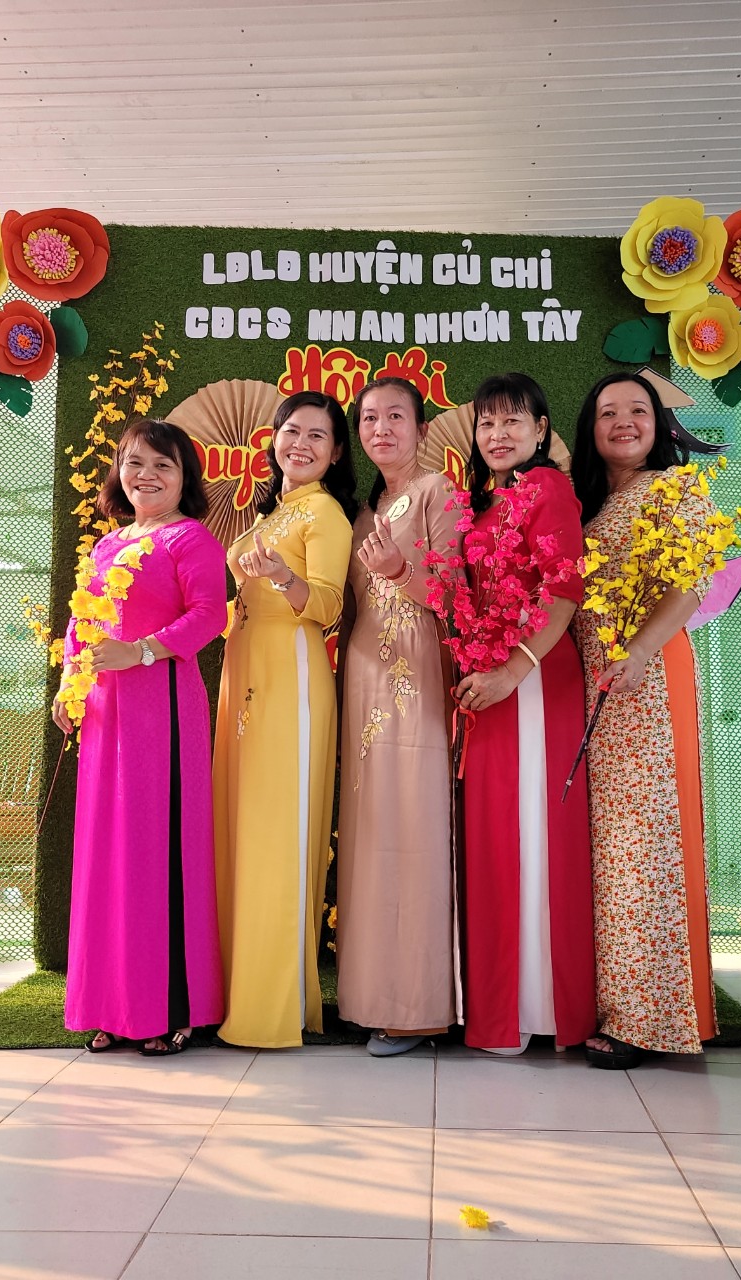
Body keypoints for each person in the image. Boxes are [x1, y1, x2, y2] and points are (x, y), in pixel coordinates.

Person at [54, 419, 228, 1056]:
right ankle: (113, 1006)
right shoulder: (108, 544)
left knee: (158, 851)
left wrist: (143, 651)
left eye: (163, 464)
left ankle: (172, 1008)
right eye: (135, 463)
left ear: (184, 477)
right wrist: (70, 686)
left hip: (163, 711)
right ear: (118, 473)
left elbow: (209, 614)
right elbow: (82, 623)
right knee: (109, 854)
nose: (147, 475)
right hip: (106, 716)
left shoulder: (190, 538)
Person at [570, 372, 718, 1069]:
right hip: (594, 684)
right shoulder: (591, 502)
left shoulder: (675, 490)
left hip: (645, 678)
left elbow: (692, 584)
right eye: (608, 412)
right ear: (590, 427)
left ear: (660, 423)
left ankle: (649, 1020)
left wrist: (639, 652)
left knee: (643, 844)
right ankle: (614, 1002)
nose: (624, 422)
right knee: (607, 849)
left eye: (638, 410)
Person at [455, 373, 596, 1054]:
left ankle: (540, 1011)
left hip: (534, 678)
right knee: (494, 836)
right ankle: (499, 1011)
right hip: (490, 683)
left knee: (534, 832)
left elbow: (563, 591)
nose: (498, 434)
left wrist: (513, 669)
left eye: (513, 421)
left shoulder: (548, 489)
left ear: (541, 430)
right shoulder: (484, 503)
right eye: (487, 423)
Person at [214, 391, 357, 1048]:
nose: (301, 444)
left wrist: (279, 577)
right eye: (292, 431)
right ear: (274, 439)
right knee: (243, 829)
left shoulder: (324, 512)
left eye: (317, 436)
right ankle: (234, 988)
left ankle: (271, 1006)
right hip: (243, 674)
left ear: (335, 452)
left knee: (279, 833)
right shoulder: (270, 511)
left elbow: (327, 606)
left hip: (291, 676)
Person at [335, 377, 459, 1056]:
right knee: (370, 830)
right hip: (363, 679)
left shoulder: (440, 492)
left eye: (395, 417)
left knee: (413, 827)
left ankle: (416, 1008)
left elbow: (457, 594)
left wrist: (398, 570)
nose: (381, 429)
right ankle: (368, 997)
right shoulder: (364, 510)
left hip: (417, 673)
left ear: (421, 428)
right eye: (369, 419)